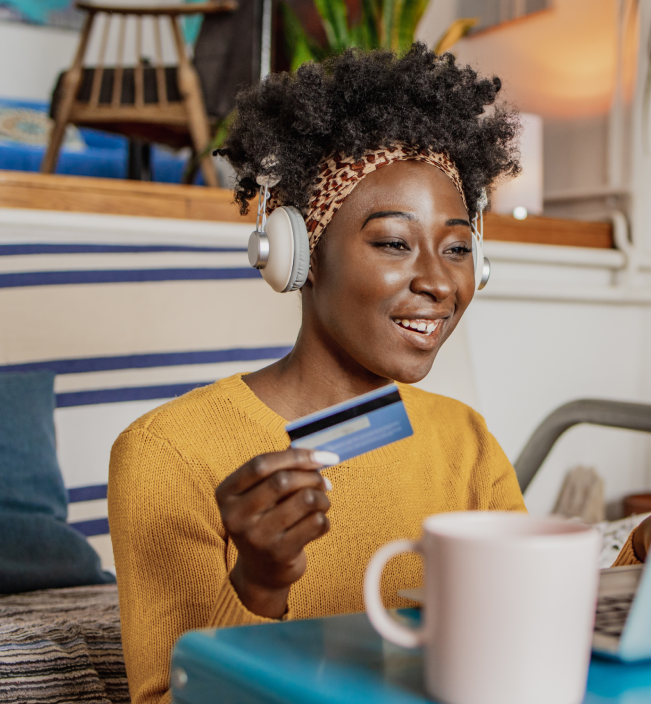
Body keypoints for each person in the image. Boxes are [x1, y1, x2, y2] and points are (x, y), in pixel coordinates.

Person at [108, 45, 525, 704]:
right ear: (298, 255)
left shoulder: (463, 442)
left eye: (457, 249)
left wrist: (643, 551)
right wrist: (261, 583)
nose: (438, 281)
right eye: (392, 242)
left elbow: (523, 624)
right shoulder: (167, 454)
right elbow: (171, 695)